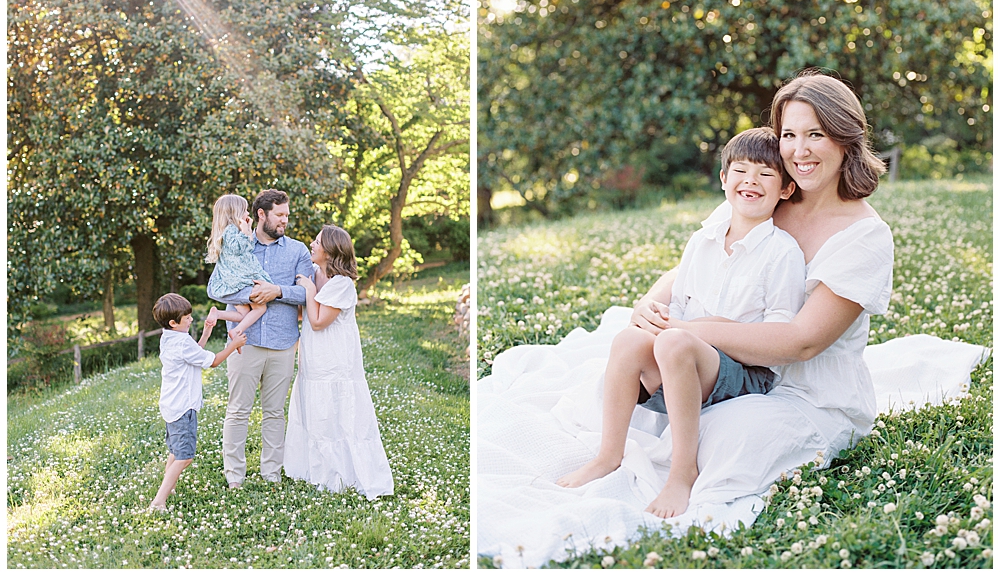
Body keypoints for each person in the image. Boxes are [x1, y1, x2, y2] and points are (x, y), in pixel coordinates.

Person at [476, 71, 895, 566]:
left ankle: (683, 470)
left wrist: (684, 330)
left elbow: (801, 342)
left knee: (731, 441)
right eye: (789, 135)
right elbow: (692, 264)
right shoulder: (769, 194)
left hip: (806, 391)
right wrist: (649, 306)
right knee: (619, 362)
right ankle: (612, 453)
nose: (799, 150)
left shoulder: (864, 236)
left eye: (816, 134)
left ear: (846, 138)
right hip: (716, 356)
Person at [557, 127, 805, 519]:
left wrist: (696, 329)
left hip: (745, 373)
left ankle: (681, 473)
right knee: (627, 340)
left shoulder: (781, 253)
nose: (751, 181)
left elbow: (776, 334)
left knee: (674, 342)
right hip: (688, 359)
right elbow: (681, 302)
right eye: (740, 171)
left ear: (786, 190)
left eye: (766, 174)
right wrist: (655, 319)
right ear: (724, 179)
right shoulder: (702, 241)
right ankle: (609, 455)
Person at [207, 189, 313, 489]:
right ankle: (234, 477)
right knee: (238, 410)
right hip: (245, 343)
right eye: (280, 215)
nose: (285, 220)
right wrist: (249, 296)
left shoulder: (297, 251)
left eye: (287, 215)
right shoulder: (236, 242)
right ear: (261, 215)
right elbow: (218, 286)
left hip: (283, 343)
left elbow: (308, 294)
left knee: (274, 413)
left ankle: (271, 474)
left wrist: (276, 291)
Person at [284, 225, 394, 499]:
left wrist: (308, 290)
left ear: (330, 250)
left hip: (335, 360)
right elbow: (304, 316)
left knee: (338, 415)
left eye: (317, 241)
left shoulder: (341, 284)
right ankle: (316, 469)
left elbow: (319, 321)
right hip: (313, 360)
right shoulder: (316, 273)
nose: (311, 243)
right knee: (317, 415)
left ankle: (342, 473)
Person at [149, 293, 246, 510]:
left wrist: (206, 333)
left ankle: (169, 486)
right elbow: (212, 362)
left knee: (175, 451)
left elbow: (194, 353)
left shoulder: (168, 337)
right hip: (183, 407)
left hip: (171, 404)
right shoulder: (182, 342)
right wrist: (233, 344)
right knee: (184, 457)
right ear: (174, 323)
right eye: (187, 318)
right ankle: (158, 501)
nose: (191, 319)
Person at [205, 194, 273, 345]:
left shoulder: (233, 231)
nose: (248, 214)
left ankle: (218, 313)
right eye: (245, 210)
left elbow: (247, 248)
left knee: (245, 313)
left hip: (235, 280)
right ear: (235, 213)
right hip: (238, 281)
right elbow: (238, 248)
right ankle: (236, 331)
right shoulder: (229, 231)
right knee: (260, 308)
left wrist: (247, 231)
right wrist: (244, 232)